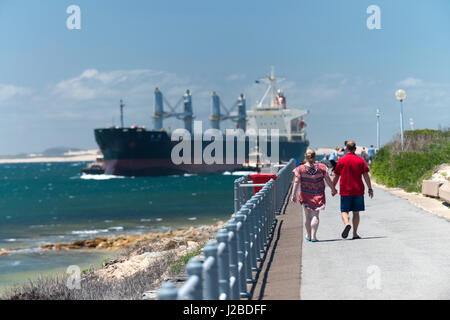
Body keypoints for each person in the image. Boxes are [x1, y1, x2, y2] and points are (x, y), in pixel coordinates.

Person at [291, 149, 337, 242]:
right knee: (315, 215)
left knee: (307, 216)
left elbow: (296, 182)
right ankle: (314, 236)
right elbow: (328, 179)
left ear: (306, 157)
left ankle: (308, 235)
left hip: (305, 194)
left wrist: (293, 195)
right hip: (318, 194)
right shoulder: (322, 167)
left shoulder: (300, 169)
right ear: (315, 157)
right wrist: (333, 189)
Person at [332, 141, 373, 240]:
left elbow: (336, 176)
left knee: (344, 211)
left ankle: (346, 223)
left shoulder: (341, 160)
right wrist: (370, 188)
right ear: (355, 149)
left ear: (346, 149)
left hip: (345, 190)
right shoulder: (360, 160)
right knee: (356, 213)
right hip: (358, 190)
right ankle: (354, 233)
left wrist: (333, 188)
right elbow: (366, 176)